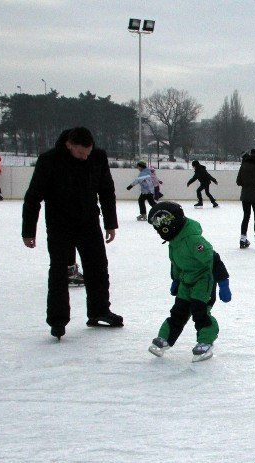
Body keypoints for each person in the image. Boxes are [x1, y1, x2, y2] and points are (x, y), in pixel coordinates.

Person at [22, 127, 123, 340]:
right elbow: (33, 197)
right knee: (59, 272)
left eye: (88, 153)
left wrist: (110, 223)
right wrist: (28, 230)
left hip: (89, 222)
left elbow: (106, 191)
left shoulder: (98, 157)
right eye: (80, 153)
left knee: (98, 268)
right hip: (60, 225)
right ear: (69, 145)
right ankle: (58, 321)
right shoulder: (49, 160)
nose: (85, 157)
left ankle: (99, 312)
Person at [146, 202, 231, 362]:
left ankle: (205, 341)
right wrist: (176, 280)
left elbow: (213, 258)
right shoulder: (175, 241)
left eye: (159, 225)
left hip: (203, 282)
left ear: (169, 224)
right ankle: (165, 339)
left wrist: (223, 282)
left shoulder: (193, 240)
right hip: (186, 282)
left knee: (200, 312)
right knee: (178, 311)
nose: (157, 231)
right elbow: (176, 262)